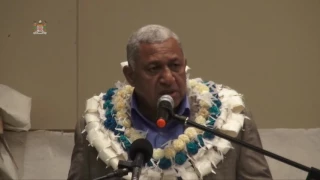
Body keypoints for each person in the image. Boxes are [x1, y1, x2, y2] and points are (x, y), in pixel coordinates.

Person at [67, 24, 273, 180]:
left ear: (185, 65)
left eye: (175, 65)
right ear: (130, 75)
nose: (168, 78)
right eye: (154, 68)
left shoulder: (230, 117)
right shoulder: (96, 124)